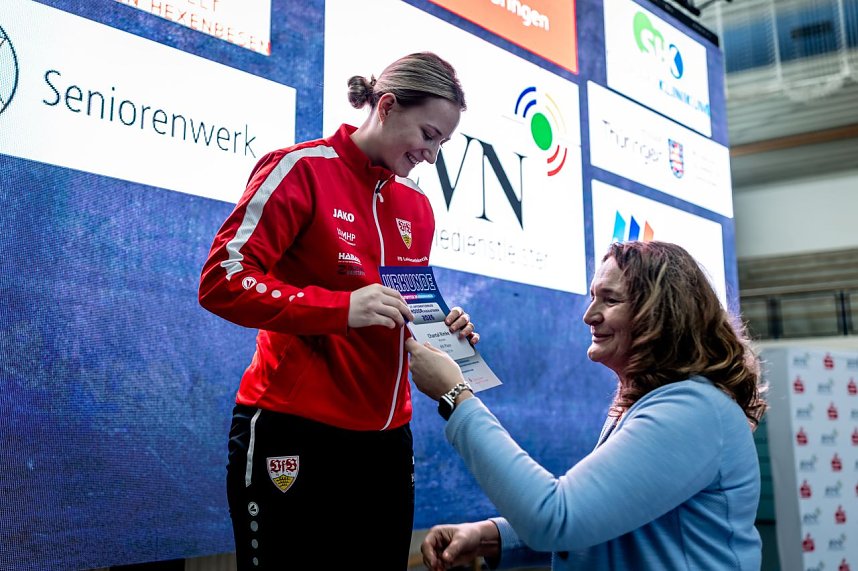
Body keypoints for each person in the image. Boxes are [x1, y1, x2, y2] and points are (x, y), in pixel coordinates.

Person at [198, 52, 477, 570]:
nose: (433, 155)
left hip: (386, 444)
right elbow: (221, 281)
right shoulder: (302, 169)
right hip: (294, 428)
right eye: (429, 134)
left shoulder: (416, 207)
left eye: (443, 142)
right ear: (388, 106)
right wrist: (340, 308)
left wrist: (444, 330)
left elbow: (400, 309)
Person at [406, 240, 767, 571]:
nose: (589, 315)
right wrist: (490, 537)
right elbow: (601, 521)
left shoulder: (693, 411)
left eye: (610, 300)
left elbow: (557, 518)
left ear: (662, 313)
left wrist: (456, 396)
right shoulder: (658, 403)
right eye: (593, 297)